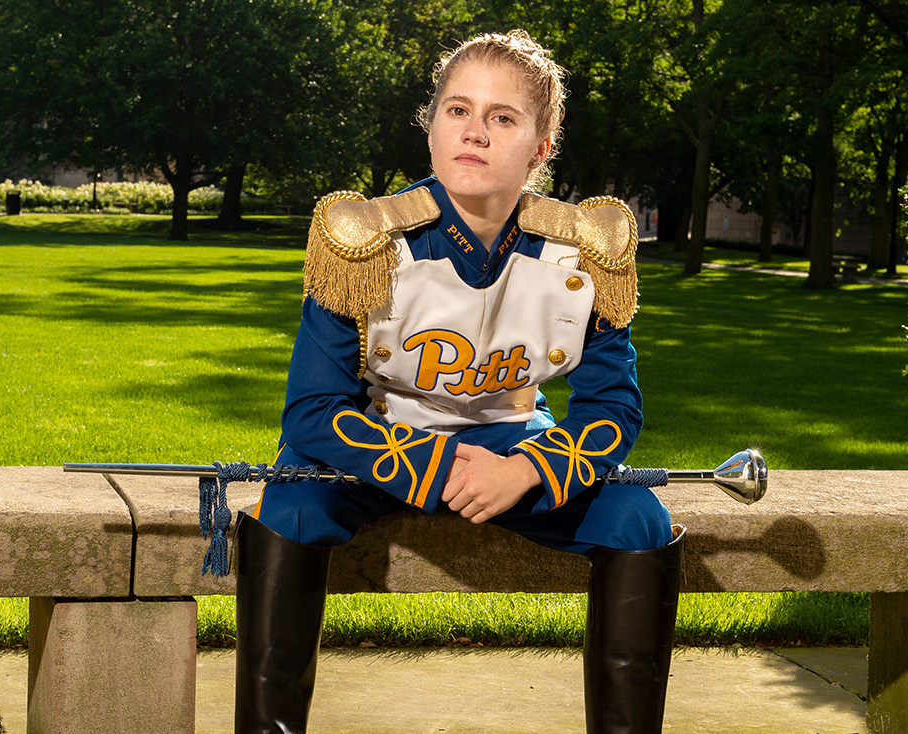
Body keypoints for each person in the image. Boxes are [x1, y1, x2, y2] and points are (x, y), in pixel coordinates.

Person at [234, 29, 685, 734]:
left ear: (541, 146)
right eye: (456, 110)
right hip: (378, 447)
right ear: (433, 124)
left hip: (512, 446)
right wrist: (440, 466)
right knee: (287, 506)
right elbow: (314, 412)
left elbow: (612, 408)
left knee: (640, 519)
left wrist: (529, 471)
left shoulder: (588, 250)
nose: (473, 134)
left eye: (502, 118)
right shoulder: (361, 238)